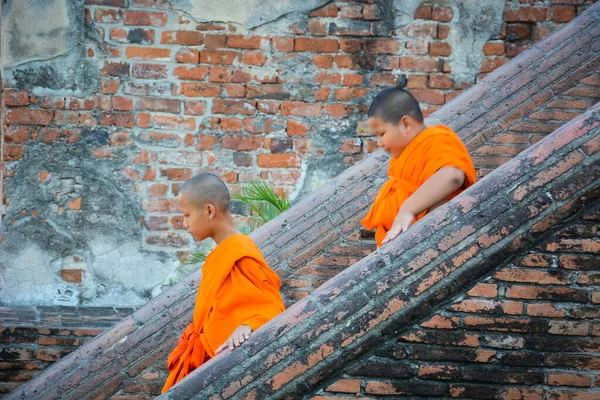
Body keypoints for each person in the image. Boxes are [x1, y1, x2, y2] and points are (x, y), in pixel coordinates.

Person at [162, 173, 285, 393]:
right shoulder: (219, 255)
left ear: (209, 211)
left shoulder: (240, 252)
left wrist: (248, 325)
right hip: (203, 361)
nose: (184, 224)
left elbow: (270, 304)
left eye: (187, 215)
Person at [361, 87, 477, 247]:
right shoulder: (399, 160)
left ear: (406, 124)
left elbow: (452, 175)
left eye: (381, 134)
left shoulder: (435, 139)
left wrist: (408, 209)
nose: (379, 143)